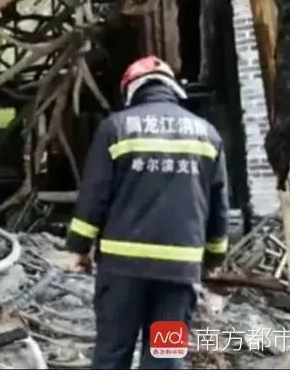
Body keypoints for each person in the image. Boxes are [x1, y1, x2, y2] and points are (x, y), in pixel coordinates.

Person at [65, 55, 229, 370]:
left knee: (113, 351)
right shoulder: (208, 134)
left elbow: (94, 195)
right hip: (180, 272)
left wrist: (79, 248)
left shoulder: (116, 128)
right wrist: (213, 257)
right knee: (166, 354)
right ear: (172, 88)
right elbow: (218, 206)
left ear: (131, 90)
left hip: (122, 269)